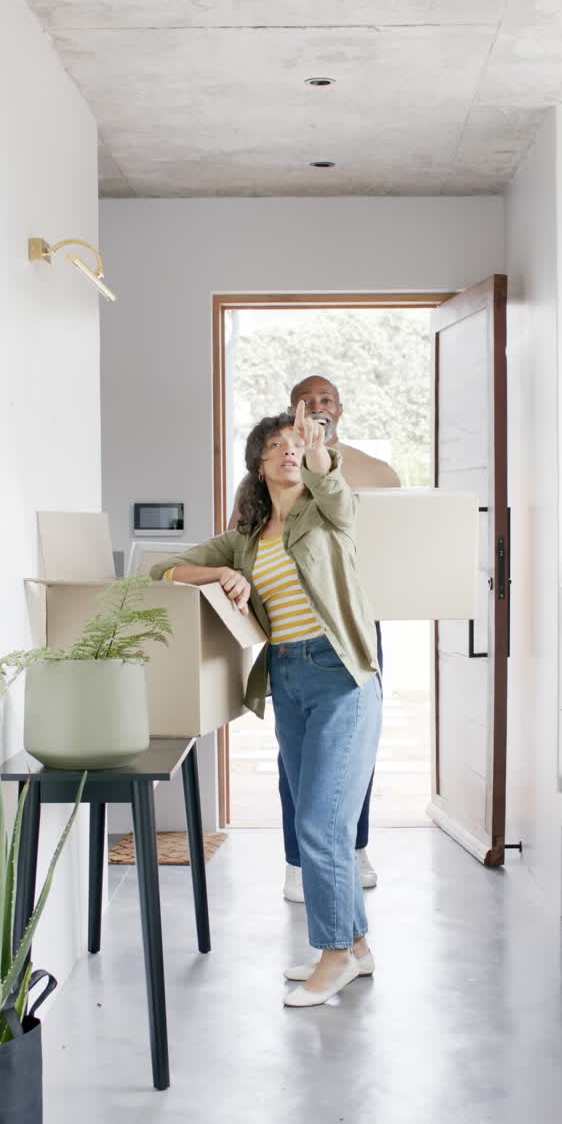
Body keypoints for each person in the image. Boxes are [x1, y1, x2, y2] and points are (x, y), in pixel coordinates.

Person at [153, 403, 382, 1007]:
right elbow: (164, 570)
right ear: (258, 464)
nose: (289, 450)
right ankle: (355, 948)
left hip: (341, 678)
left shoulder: (326, 512)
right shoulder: (246, 541)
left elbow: (335, 486)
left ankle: (331, 958)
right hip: (288, 680)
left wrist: (319, 455)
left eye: (297, 444)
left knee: (322, 822)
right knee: (314, 818)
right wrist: (225, 578)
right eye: (276, 444)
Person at [229, 375, 400, 902]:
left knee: (350, 754)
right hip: (292, 637)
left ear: (340, 410)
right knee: (298, 764)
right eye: (307, 401)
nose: (318, 407)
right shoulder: (281, 465)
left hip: (350, 621)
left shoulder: (372, 469)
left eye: (326, 400)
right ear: (293, 410)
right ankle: (299, 861)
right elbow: (237, 539)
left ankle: (353, 848)